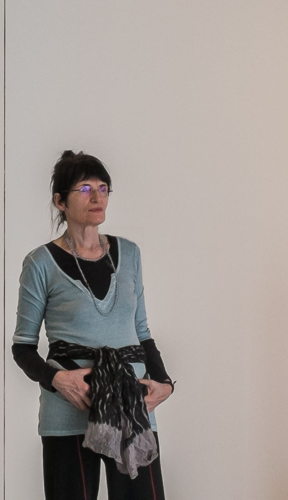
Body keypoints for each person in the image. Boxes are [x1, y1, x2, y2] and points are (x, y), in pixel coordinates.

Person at [12, 150, 174, 500]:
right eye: (84, 189)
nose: (97, 196)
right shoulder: (40, 263)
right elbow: (22, 347)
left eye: (103, 188)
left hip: (131, 405)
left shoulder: (129, 254)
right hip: (69, 410)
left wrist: (164, 384)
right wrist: (57, 381)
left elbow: (142, 331)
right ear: (60, 201)